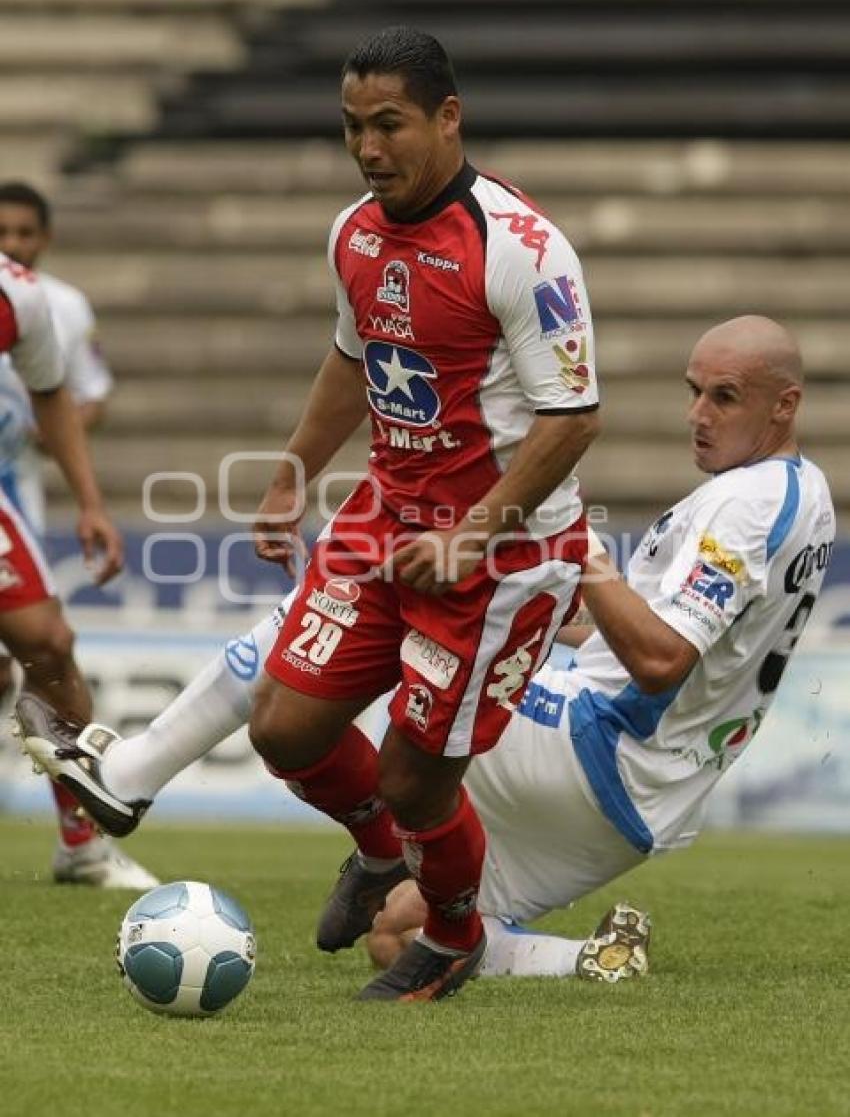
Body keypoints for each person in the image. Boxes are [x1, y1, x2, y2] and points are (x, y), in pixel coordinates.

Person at [16, 315, 834, 983]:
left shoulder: (746, 505)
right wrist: (563, 595)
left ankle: (132, 774)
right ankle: (593, 960)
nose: (698, 415)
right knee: (398, 928)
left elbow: (659, 662)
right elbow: (653, 648)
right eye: (694, 393)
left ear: (784, 405)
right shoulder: (806, 498)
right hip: (642, 805)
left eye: (724, 398)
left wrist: (571, 543)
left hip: (601, 746)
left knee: (353, 598)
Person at [246, 25, 599, 1000]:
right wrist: (292, 473)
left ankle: (450, 936)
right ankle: (377, 856)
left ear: (448, 117)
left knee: (414, 780)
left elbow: (573, 418)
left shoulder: (519, 247)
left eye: (389, 124)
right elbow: (352, 360)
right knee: (281, 729)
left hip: (501, 554)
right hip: (385, 519)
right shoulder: (353, 231)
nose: (368, 148)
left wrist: (470, 535)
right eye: (353, 126)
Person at [0, 213, 155, 892]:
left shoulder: (25, 300)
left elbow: (51, 395)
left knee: (48, 642)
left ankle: (81, 844)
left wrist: (90, 502)